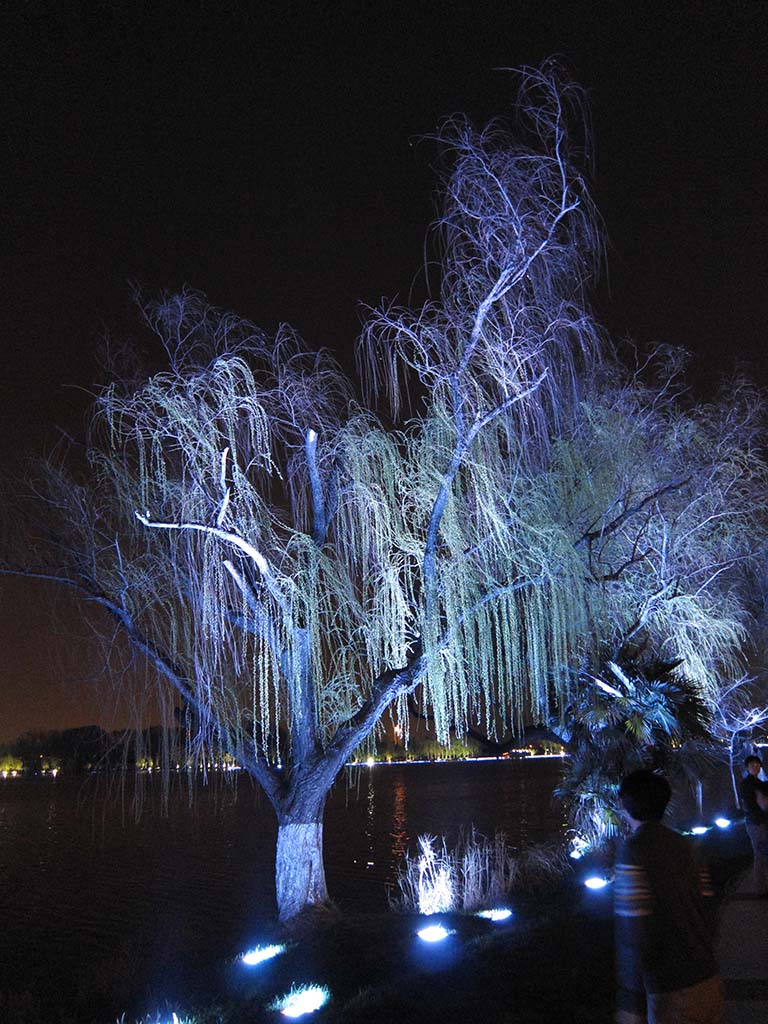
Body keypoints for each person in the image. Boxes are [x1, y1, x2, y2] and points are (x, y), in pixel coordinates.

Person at [614, 769, 722, 1024]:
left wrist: (631, 1000)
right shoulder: (687, 846)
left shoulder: (633, 851)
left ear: (623, 804)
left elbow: (635, 928)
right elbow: (708, 908)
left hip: (672, 991)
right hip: (708, 980)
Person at [738, 754, 768, 895]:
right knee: (760, 854)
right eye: (752, 765)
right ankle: (760, 889)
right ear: (747, 767)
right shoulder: (749, 784)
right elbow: (757, 804)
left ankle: (760, 887)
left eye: (757, 765)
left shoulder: (757, 782)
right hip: (756, 823)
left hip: (758, 822)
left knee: (761, 854)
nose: (755, 767)